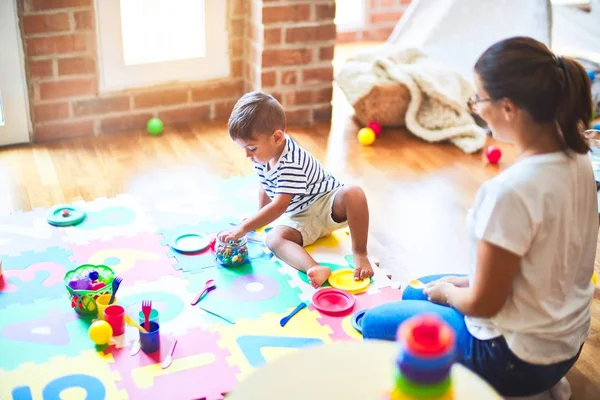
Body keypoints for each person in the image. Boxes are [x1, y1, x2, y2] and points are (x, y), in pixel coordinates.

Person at [362, 36, 598, 397]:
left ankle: (500, 386)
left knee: (374, 323)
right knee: (414, 288)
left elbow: (484, 303)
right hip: (565, 343)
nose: (474, 106)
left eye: (479, 98)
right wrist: (462, 283)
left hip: (514, 357)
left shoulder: (510, 192)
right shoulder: (579, 158)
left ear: (508, 108)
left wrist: (448, 293)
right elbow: (541, 260)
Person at [218, 91, 374, 287]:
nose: (247, 155)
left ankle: (360, 253)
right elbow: (265, 184)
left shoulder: (292, 161)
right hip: (301, 219)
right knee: (273, 239)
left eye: (251, 148)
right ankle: (314, 267)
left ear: (277, 137)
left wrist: (243, 228)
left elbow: (278, 207)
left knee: (354, 193)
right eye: (244, 148)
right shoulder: (262, 155)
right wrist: (257, 217)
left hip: (328, 205)